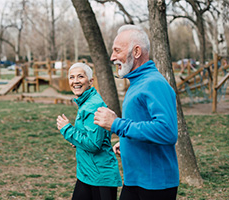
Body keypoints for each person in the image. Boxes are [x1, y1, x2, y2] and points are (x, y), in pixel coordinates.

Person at [94, 24, 179, 200]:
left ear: (137, 52)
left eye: (117, 51)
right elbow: (142, 123)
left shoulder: (154, 83)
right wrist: (126, 142)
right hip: (135, 181)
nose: (112, 57)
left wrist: (117, 124)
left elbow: (167, 131)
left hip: (155, 185)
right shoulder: (137, 83)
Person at [56, 62, 122, 200]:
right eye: (72, 77)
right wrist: (77, 141)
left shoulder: (93, 105)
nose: (75, 81)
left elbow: (94, 145)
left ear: (90, 81)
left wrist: (67, 130)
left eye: (80, 77)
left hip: (100, 176)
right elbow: (92, 136)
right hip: (88, 173)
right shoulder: (86, 102)